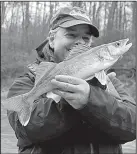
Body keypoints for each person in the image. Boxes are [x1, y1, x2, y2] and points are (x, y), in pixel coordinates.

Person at [7, 6, 136, 154]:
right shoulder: (26, 82)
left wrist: (94, 97)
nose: (80, 43)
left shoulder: (107, 80)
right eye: (71, 35)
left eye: (86, 38)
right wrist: (68, 101)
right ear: (51, 39)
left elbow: (132, 125)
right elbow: (25, 129)